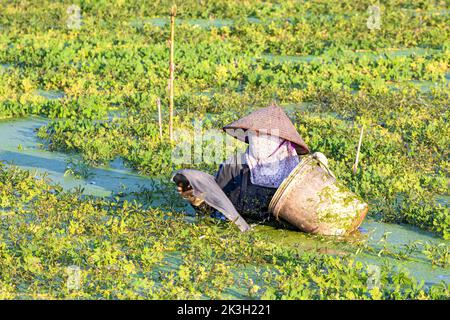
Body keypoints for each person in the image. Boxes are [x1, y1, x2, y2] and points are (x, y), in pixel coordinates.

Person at [177, 105, 323, 223]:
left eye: (266, 136)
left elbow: (317, 216)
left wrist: (321, 174)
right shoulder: (232, 168)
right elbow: (215, 212)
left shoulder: (299, 174)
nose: (258, 140)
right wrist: (197, 201)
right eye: (254, 134)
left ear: (281, 142)